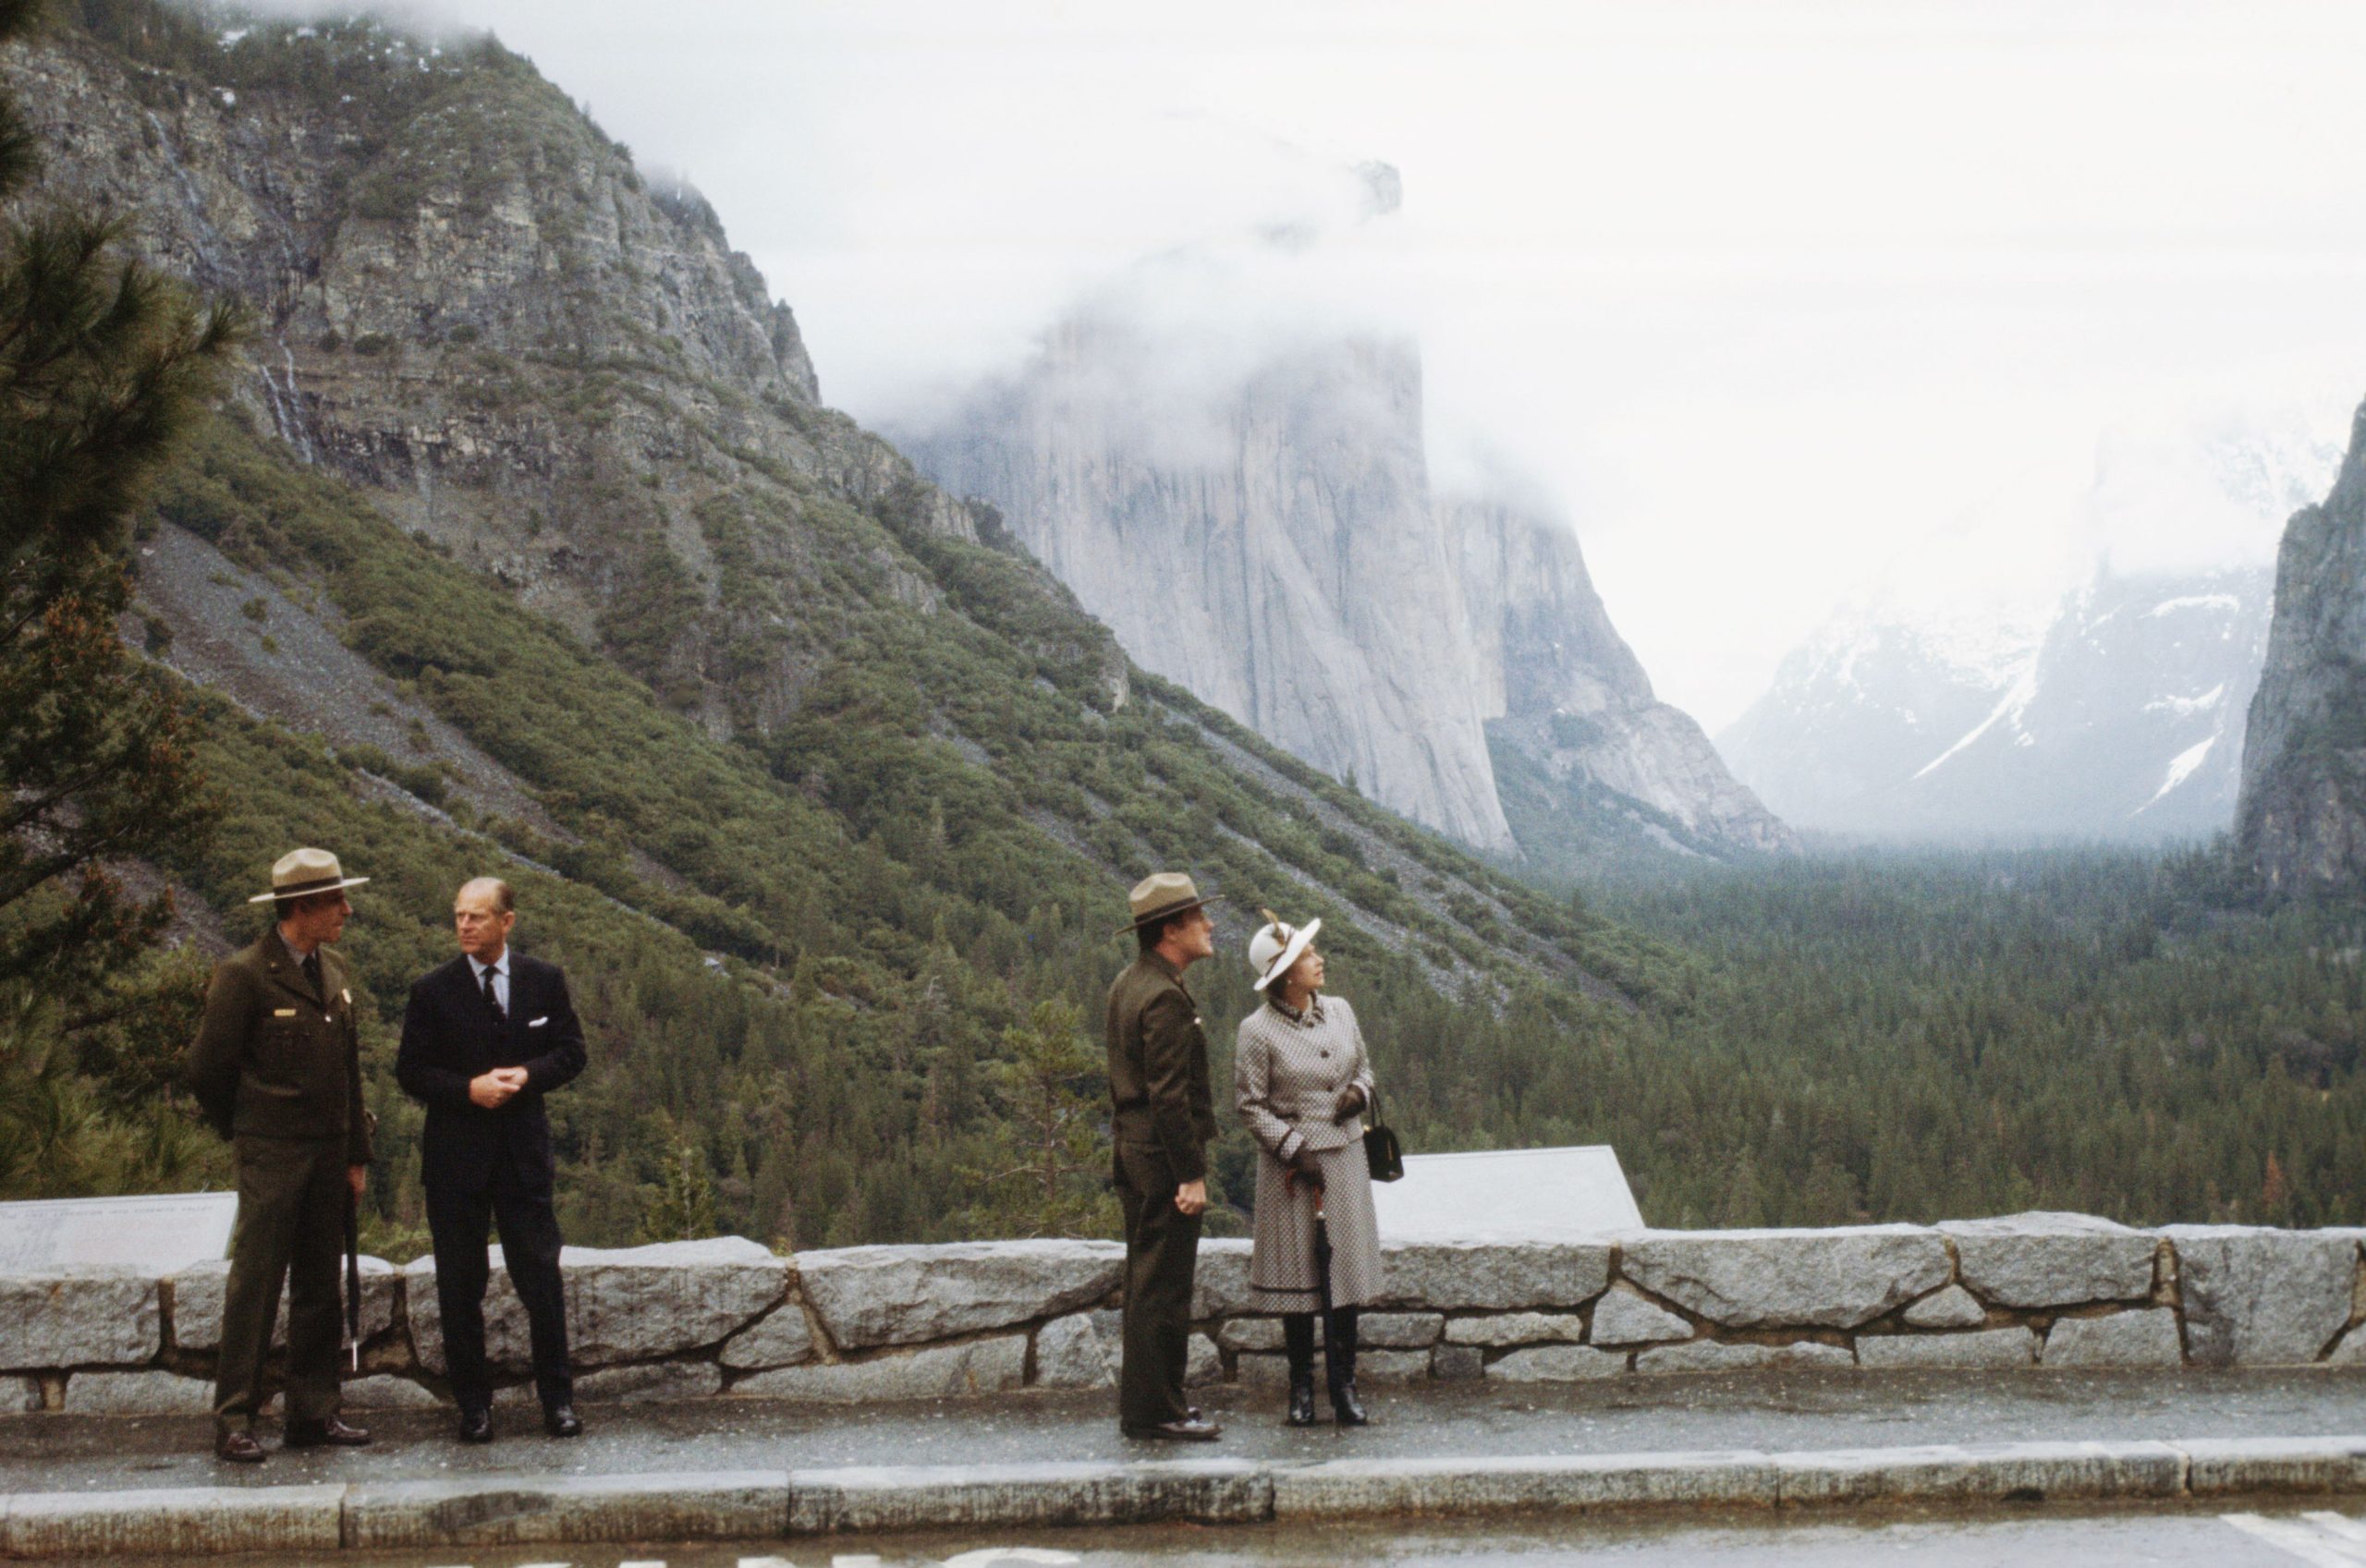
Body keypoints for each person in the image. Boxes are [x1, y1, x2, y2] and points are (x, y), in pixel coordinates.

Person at [188, 848, 376, 1464]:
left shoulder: (336, 970)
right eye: (335, 901)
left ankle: (312, 1411)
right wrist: (247, 1131)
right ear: (303, 908)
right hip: (271, 1153)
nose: (346, 909)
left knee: (320, 1284)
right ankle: (235, 1416)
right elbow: (210, 1069)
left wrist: (356, 1154)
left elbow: (348, 1071)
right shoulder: (245, 974)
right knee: (257, 1283)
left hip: (327, 1152)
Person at [396, 877, 588, 1443]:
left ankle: (558, 1403)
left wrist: (528, 1076)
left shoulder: (543, 981)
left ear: (507, 921)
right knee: (460, 1287)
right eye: (458, 915)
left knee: (541, 1282)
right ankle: (473, 1409)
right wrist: (467, 1090)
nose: (463, 926)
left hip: (523, 1159)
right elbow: (411, 1071)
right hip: (456, 1162)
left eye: (476, 917)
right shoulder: (431, 991)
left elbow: (573, 1053)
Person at [1234, 909, 1382, 1427]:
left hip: (1344, 1158)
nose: (1319, 960)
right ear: (1285, 974)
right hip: (1292, 1170)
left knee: (1341, 1273)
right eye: (1308, 955)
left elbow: (1365, 1067)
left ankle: (1344, 1384)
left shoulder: (1340, 1011)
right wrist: (1293, 1147)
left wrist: (1355, 1094)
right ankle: (1300, 1388)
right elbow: (1250, 1105)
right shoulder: (1256, 1031)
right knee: (1298, 1277)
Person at [1104, 871, 1224, 1441]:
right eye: (1199, 917)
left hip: (1135, 1156)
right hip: (1162, 1165)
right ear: (1170, 929)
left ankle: (1152, 1405)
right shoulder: (1163, 997)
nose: (1209, 925)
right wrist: (1191, 1175)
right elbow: (1169, 1097)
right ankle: (1157, 1414)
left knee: (1146, 1283)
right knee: (1163, 1290)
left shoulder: (1130, 983)